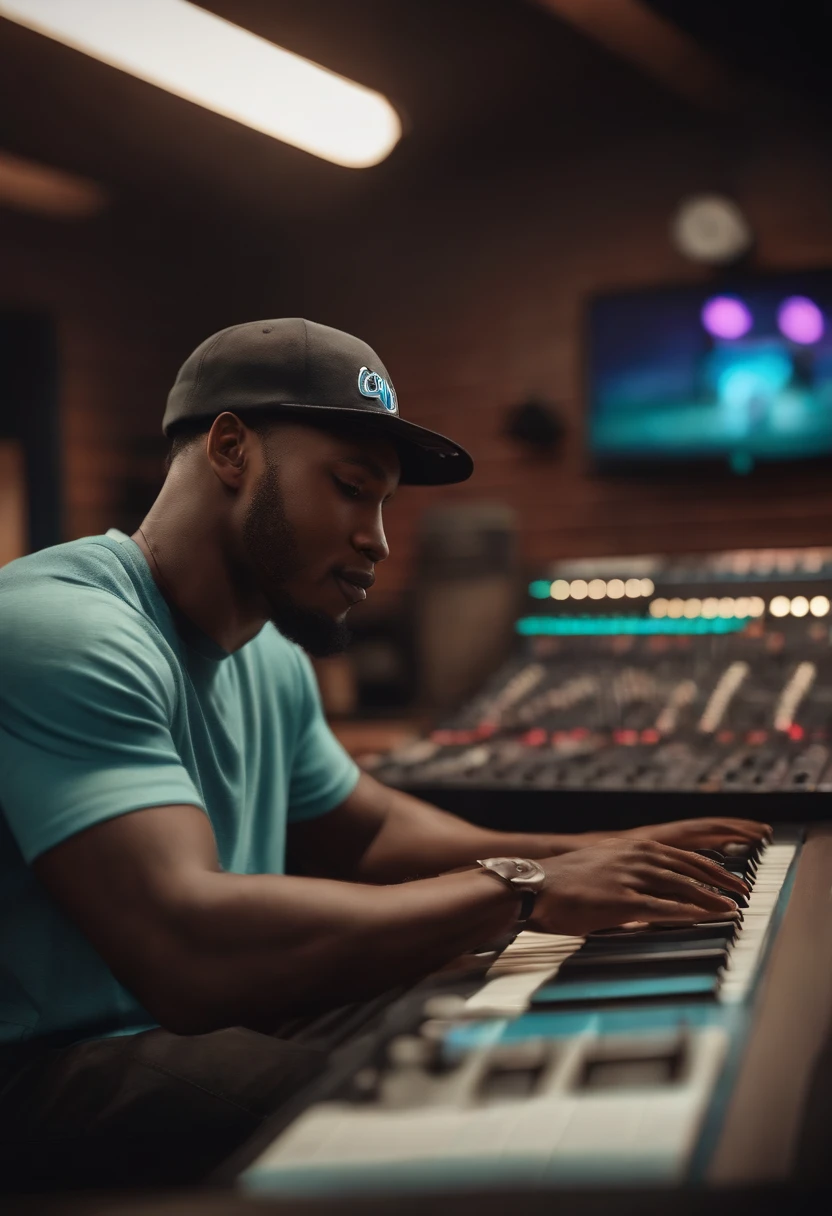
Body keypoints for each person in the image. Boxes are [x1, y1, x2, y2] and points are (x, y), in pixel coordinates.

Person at [0, 318, 766, 1191]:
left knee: (464, 1019)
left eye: (384, 503)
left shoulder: (269, 656)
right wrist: (525, 889)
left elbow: (366, 832)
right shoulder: (66, 630)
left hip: (198, 1023)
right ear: (229, 448)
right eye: (350, 488)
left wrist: (587, 856)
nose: (378, 539)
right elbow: (186, 950)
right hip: (46, 1068)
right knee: (452, 1120)